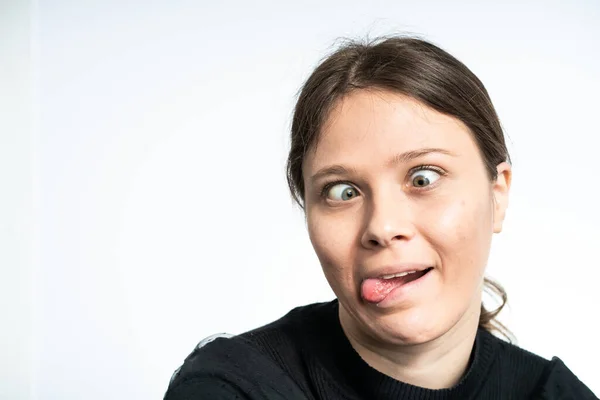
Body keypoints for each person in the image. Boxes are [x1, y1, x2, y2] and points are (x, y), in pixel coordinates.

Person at [163, 36, 597, 399]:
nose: (383, 227)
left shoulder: (555, 394)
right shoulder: (233, 387)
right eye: (343, 192)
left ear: (497, 193)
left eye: (424, 178)